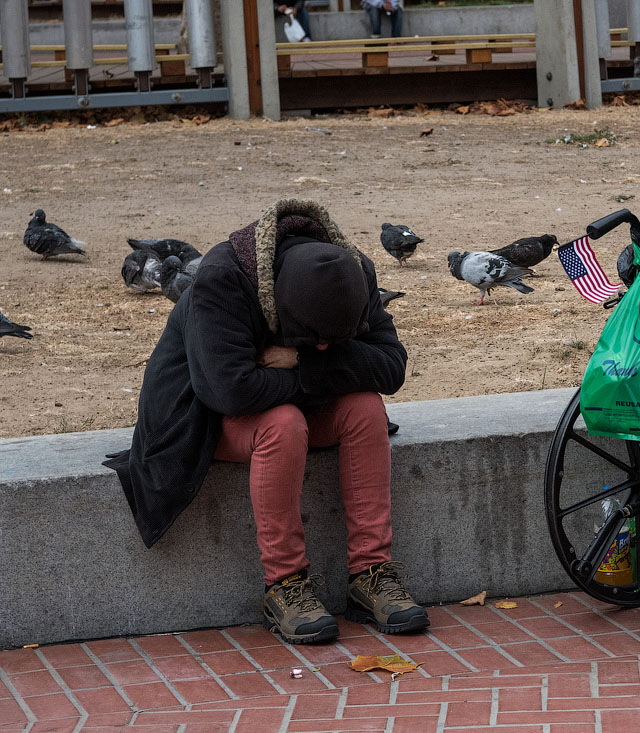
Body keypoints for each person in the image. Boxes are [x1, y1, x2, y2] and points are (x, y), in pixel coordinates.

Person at [103, 199, 428, 644]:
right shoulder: (222, 279)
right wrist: (336, 366)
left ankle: (371, 574)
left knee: (365, 408)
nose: (321, 349)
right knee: (283, 422)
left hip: (284, 397)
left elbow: (390, 369)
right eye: (311, 341)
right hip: (202, 418)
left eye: (331, 343)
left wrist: (299, 360)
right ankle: (285, 585)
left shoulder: (350, 272)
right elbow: (230, 392)